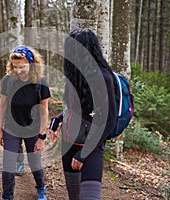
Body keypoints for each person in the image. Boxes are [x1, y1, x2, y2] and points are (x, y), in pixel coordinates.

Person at [48, 28, 116, 200]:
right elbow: (75, 108)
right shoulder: (74, 76)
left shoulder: (103, 78)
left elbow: (108, 120)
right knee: (74, 196)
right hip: (69, 143)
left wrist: (83, 153)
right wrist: (57, 120)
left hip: (92, 147)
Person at [0, 45, 51, 200]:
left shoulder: (40, 82)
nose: (19, 70)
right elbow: (2, 106)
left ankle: (41, 188)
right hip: (12, 128)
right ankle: (7, 196)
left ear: (32, 64)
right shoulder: (8, 80)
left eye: (22, 67)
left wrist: (41, 136)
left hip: (32, 129)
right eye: (15, 67)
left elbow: (44, 111)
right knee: (8, 165)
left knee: (35, 163)